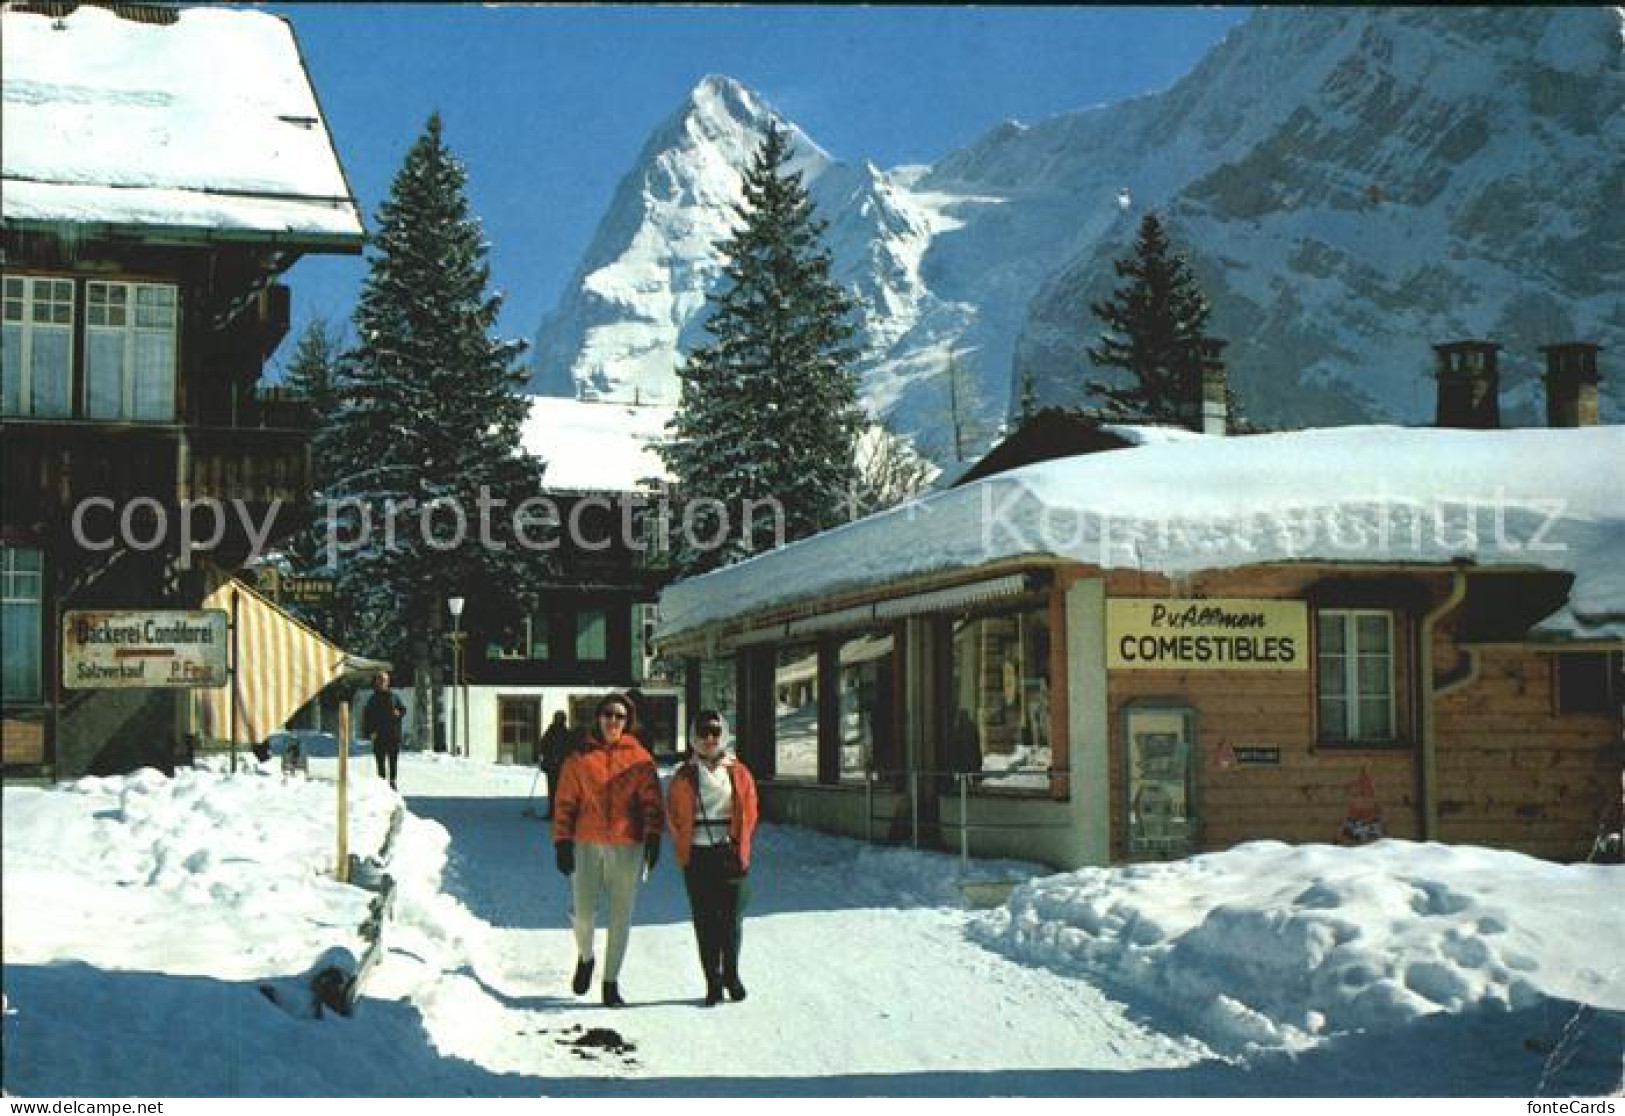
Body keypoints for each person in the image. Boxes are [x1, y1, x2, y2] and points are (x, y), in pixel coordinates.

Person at [552, 692, 664, 1008]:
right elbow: (565, 803)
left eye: (620, 716)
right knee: (583, 912)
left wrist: (653, 837)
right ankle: (586, 957)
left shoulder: (641, 759)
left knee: (620, 916)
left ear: (628, 722)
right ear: (598, 718)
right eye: (607, 714)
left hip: (628, 845)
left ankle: (611, 981)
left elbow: (652, 803)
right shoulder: (579, 758)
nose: (613, 721)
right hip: (586, 842)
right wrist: (561, 841)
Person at [667, 709, 760, 1005]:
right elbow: (673, 815)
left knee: (731, 919)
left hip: (729, 851)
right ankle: (713, 980)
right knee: (705, 920)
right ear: (694, 737)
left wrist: (739, 841)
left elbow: (751, 810)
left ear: (724, 735)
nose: (709, 738)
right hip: (697, 854)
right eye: (703, 732)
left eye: (715, 732)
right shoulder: (684, 775)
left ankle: (732, 974)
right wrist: (683, 843)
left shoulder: (739, 772)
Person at [361, 672, 406, 790]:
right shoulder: (372, 699)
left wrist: (399, 713)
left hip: (393, 734)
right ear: (376, 682)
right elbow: (367, 717)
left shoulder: (394, 696)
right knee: (380, 761)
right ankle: (381, 783)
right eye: (380, 680)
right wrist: (369, 732)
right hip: (379, 735)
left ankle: (392, 781)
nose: (382, 682)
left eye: (385, 680)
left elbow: (403, 709)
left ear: (388, 682)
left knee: (393, 760)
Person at [538, 710, 574, 821]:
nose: (559, 720)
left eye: (560, 718)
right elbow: (542, 745)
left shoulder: (565, 733)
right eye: (558, 718)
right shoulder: (552, 732)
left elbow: (570, 749)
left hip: (560, 767)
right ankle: (553, 812)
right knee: (554, 790)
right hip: (553, 766)